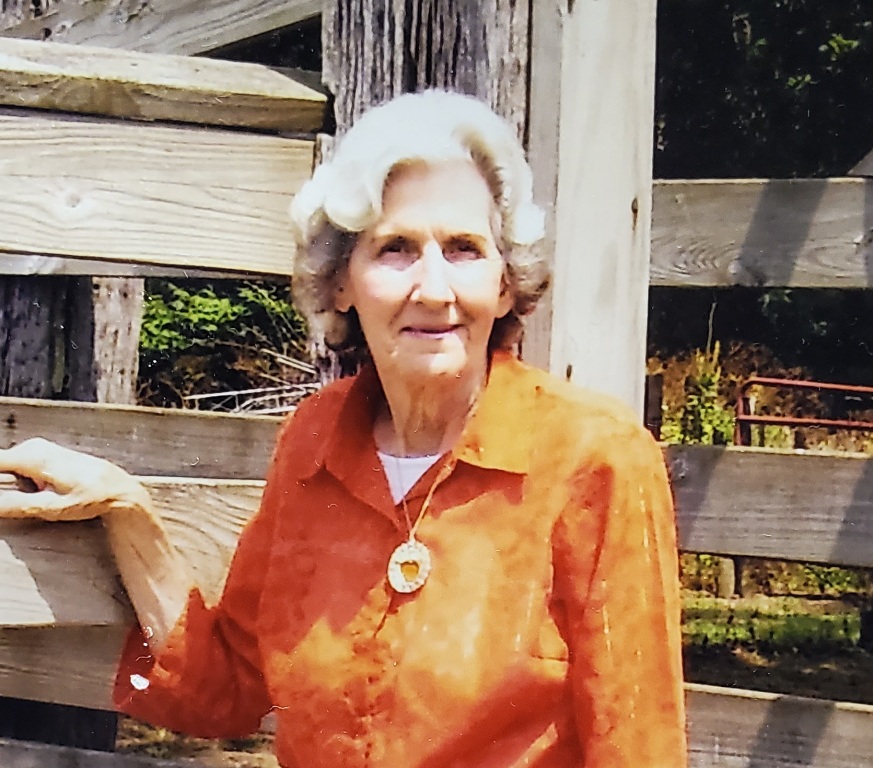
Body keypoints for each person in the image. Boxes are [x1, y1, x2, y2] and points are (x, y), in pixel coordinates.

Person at [0, 90, 686, 767]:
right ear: (340, 284)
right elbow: (226, 688)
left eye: (464, 249)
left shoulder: (596, 458)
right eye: (395, 249)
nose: (434, 289)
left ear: (505, 284)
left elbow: (638, 746)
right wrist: (129, 513)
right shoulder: (314, 439)